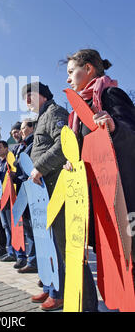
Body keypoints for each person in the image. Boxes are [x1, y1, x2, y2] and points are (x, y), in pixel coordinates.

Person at [63, 48, 135, 311]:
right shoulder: (78, 108)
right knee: (111, 254)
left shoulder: (109, 94)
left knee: (131, 254)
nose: (68, 79)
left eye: (72, 72)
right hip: (97, 194)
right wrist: (74, 160)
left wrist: (114, 125)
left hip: (124, 192)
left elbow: (131, 129)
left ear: (89, 69)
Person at [22, 81, 68, 311]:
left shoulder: (55, 112)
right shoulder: (42, 118)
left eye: (28, 96)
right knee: (46, 243)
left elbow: (65, 144)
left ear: (40, 95)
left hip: (55, 187)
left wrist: (39, 167)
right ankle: (50, 287)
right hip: (43, 192)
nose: (26, 101)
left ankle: (60, 293)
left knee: (58, 244)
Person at [13, 119, 38, 274]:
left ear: (32, 128)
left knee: (35, 228)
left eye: (22, 128)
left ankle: (35, 261)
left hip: (31, 189)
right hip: (23, 190)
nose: (20, 131)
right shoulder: (22, 146)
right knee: (28, 228)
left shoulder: (33, 143)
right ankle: (32, 260)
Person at [0, 140, 26, 264]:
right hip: (1, 197)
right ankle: (11, 252)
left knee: (14, 226)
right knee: (6, 227)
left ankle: (20, 255)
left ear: (6, 148)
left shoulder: (10, 159)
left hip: (10, 196)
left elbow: (15, 173)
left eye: (0, 148)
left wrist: (12, 175)